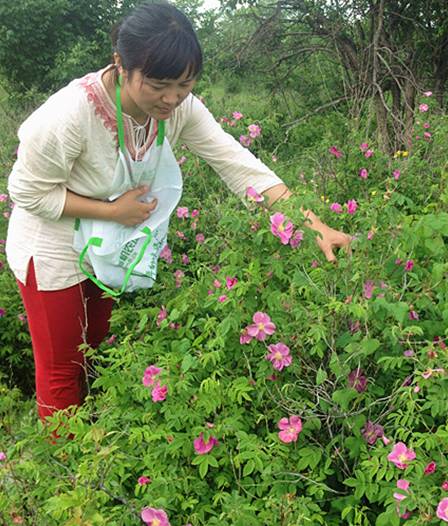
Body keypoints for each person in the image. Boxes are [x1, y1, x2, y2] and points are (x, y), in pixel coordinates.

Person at [5, 1, 351, 423]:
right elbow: (26, 193)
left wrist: (313, 226)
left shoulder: (178, 108)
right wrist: (113, 212)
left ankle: (89, 445)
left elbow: (237, 164)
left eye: (184, 84)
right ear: (121, 64)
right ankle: (65, 476)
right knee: (61, 367)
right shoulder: (70, 115)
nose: (171, 99)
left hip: (101, 247)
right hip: (52, 246)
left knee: (91, 346)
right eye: (158, 85)